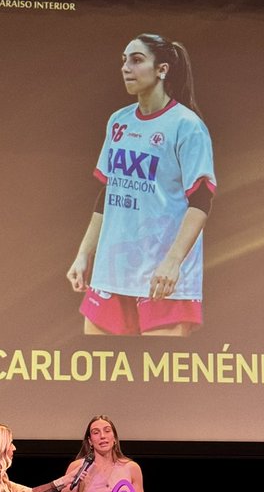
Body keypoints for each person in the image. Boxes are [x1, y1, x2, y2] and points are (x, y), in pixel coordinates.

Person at [66, 33, 216, 336]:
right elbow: (108, 193)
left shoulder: (186, 126)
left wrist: (172, 262)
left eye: (136, 60)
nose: (126, 68)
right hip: (112, 272)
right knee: (98, 379)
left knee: (159, 380)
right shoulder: (118, 122)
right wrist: (84, 254)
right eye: (124, 60)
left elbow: (201, 201)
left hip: (161, 277)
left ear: (162, 69)